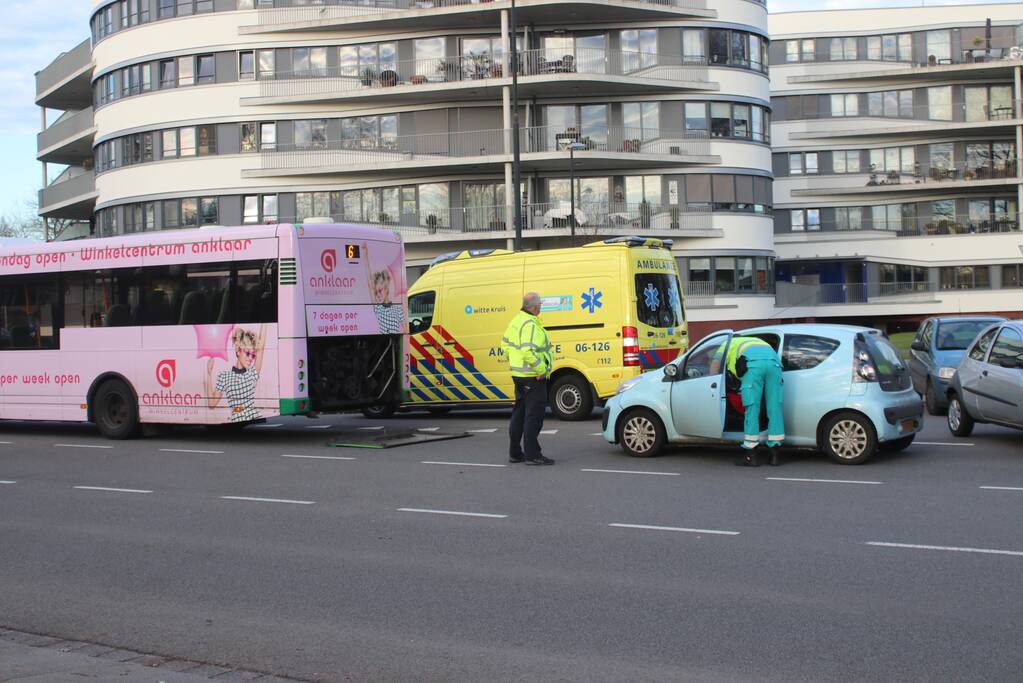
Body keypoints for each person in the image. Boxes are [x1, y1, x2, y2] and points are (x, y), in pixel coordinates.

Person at [715, 335, 785, 466]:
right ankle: (774, 455)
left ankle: (751, 456)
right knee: (775, 408)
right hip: (774, 364)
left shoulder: (727, 343)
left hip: (753, 366)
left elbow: (715, 365)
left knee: (752, 409)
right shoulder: (757, 341)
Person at [502, 292, 554, 465]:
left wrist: (513, 361)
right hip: (533, 377)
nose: (541, 307)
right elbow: (527, 351)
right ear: (535, 306)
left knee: (519, 415)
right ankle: (533, 455)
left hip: (519, 376)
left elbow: (505, 345)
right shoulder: (530, 324)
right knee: (534, 417)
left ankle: (515, 453)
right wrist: (541, 369)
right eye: (540, 304)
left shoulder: (516, 321)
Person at [206, 324, 267, 423]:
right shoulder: (224, 376)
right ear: (238, 351)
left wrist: (265, 320)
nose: (250, 358)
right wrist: (209, 373)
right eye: (247, 353)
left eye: (253, 355)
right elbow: (212, 403)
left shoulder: (252, 373)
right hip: (238, 422)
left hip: (254, 419)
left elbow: (261, 348)